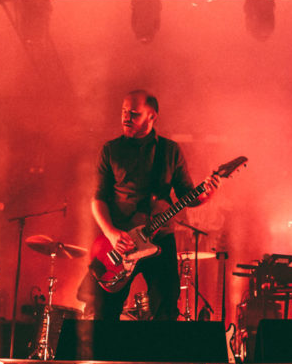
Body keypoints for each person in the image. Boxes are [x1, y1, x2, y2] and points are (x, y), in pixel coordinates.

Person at [79, 90, 220, 320]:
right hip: (119, 242)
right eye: (124, 112)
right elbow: (98, 199)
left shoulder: (170, 151)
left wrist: (208, 194)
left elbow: (188, 195)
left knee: (166, 308)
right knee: (103, 312)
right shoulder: (111, 150)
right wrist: (112, 234)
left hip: (160, 239)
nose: (126, 117)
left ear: (152, 116)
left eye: (134, 114)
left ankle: (159, 355)